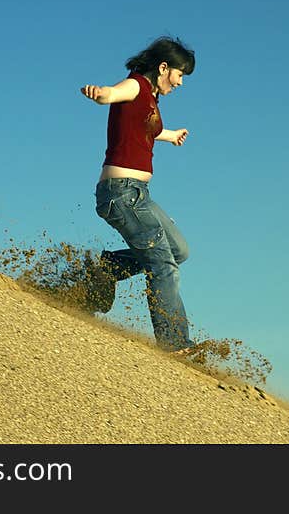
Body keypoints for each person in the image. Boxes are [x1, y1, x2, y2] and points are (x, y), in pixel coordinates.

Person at [79, 36, 197, 354]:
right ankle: (174, 344)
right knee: (163, 265)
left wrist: (171, 136)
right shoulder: (136, 86)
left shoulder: (152, 102)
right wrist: (100, 94)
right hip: (121, 193)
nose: (181, 82)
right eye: (180, 74)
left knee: (179, 251)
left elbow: (151, 131)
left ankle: (108, 267)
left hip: (138, 194)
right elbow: (113, 94)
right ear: (163, 67)